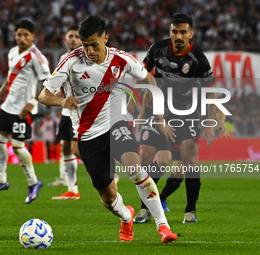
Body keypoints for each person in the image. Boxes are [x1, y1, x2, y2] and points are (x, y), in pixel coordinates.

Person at [38, 15, 177, 244]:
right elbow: (44, 94)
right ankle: (126, 215)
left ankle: (163, 227)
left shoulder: (121, 59)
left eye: (95, 44)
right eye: (85, 46)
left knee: (135, 168)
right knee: (108, 197)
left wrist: (159, 115)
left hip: (117, 125)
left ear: (106, 38)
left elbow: (150, 79)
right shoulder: (71, 62)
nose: (90, 51)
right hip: (88, 136)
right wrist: (62, 102)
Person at [130, 13, 218, 223]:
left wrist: (210, 121)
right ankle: (145, 208)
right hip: (157, 110)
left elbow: (212, 91)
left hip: (185, 114)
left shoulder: (198, 58)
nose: (178, 36)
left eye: (183, 32)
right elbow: (142, 74)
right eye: (174, 31)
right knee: (148, 159)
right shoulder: (157, 49)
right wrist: (135, 104)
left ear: (191, 34)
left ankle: (190, 211)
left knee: (189, 163)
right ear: (170, 32)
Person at [0, 19, 50, 204]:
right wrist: (3, 87)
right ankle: (2, 181)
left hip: (23, 109)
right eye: (19, 34)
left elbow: (49, 83)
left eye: (26, 35)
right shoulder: (13, 52)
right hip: (8, 105)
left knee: (17, 146)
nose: (22, 38)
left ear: (32, 36)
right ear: (15, 35)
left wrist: (33, 102)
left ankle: (33, 182)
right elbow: (12, 73)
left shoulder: (37, 57)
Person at [48, 26, 82, 201]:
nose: (74, 39)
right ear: (65, 39)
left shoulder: (85, 58)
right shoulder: (63, 58)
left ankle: (107, 169)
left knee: (78, 150)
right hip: (67, 110)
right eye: (71, 36)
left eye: (77, 36)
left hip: (81, 111)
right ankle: (72, 189)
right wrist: (60, 93)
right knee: (65, 148)